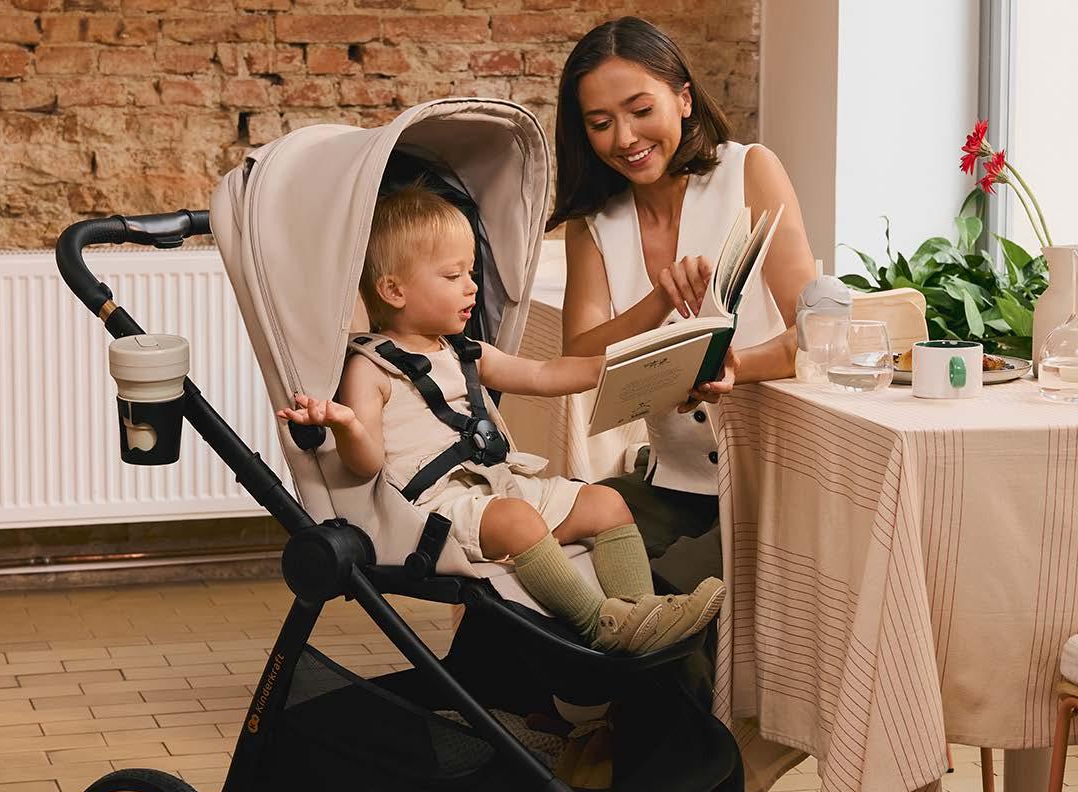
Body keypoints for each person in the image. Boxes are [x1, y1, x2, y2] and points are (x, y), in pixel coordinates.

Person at [278, 184, 727, 655]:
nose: (472, 286)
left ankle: (641, 613)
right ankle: (599, 625)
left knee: (605, 503)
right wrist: (347, 426)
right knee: (517, 520)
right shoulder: (370, 369)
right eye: (453, 275)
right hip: (433, 512)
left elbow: (545, 374)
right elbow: (365, 464)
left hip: (499, 489)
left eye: (471, 272)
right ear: (393, 290)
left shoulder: (466, 352)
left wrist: (620, 367)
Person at [551, 16, 813, 594]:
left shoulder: (749, 171)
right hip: (671, 483)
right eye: (600, 123)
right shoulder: (592, 223)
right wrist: (657, 301)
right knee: (536, 567)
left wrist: (734, 366)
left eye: (641, 110)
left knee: (657, 594)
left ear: (684, 99)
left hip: (764, 483)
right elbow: (578, 356)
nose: (625, 138)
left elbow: (814, 333)